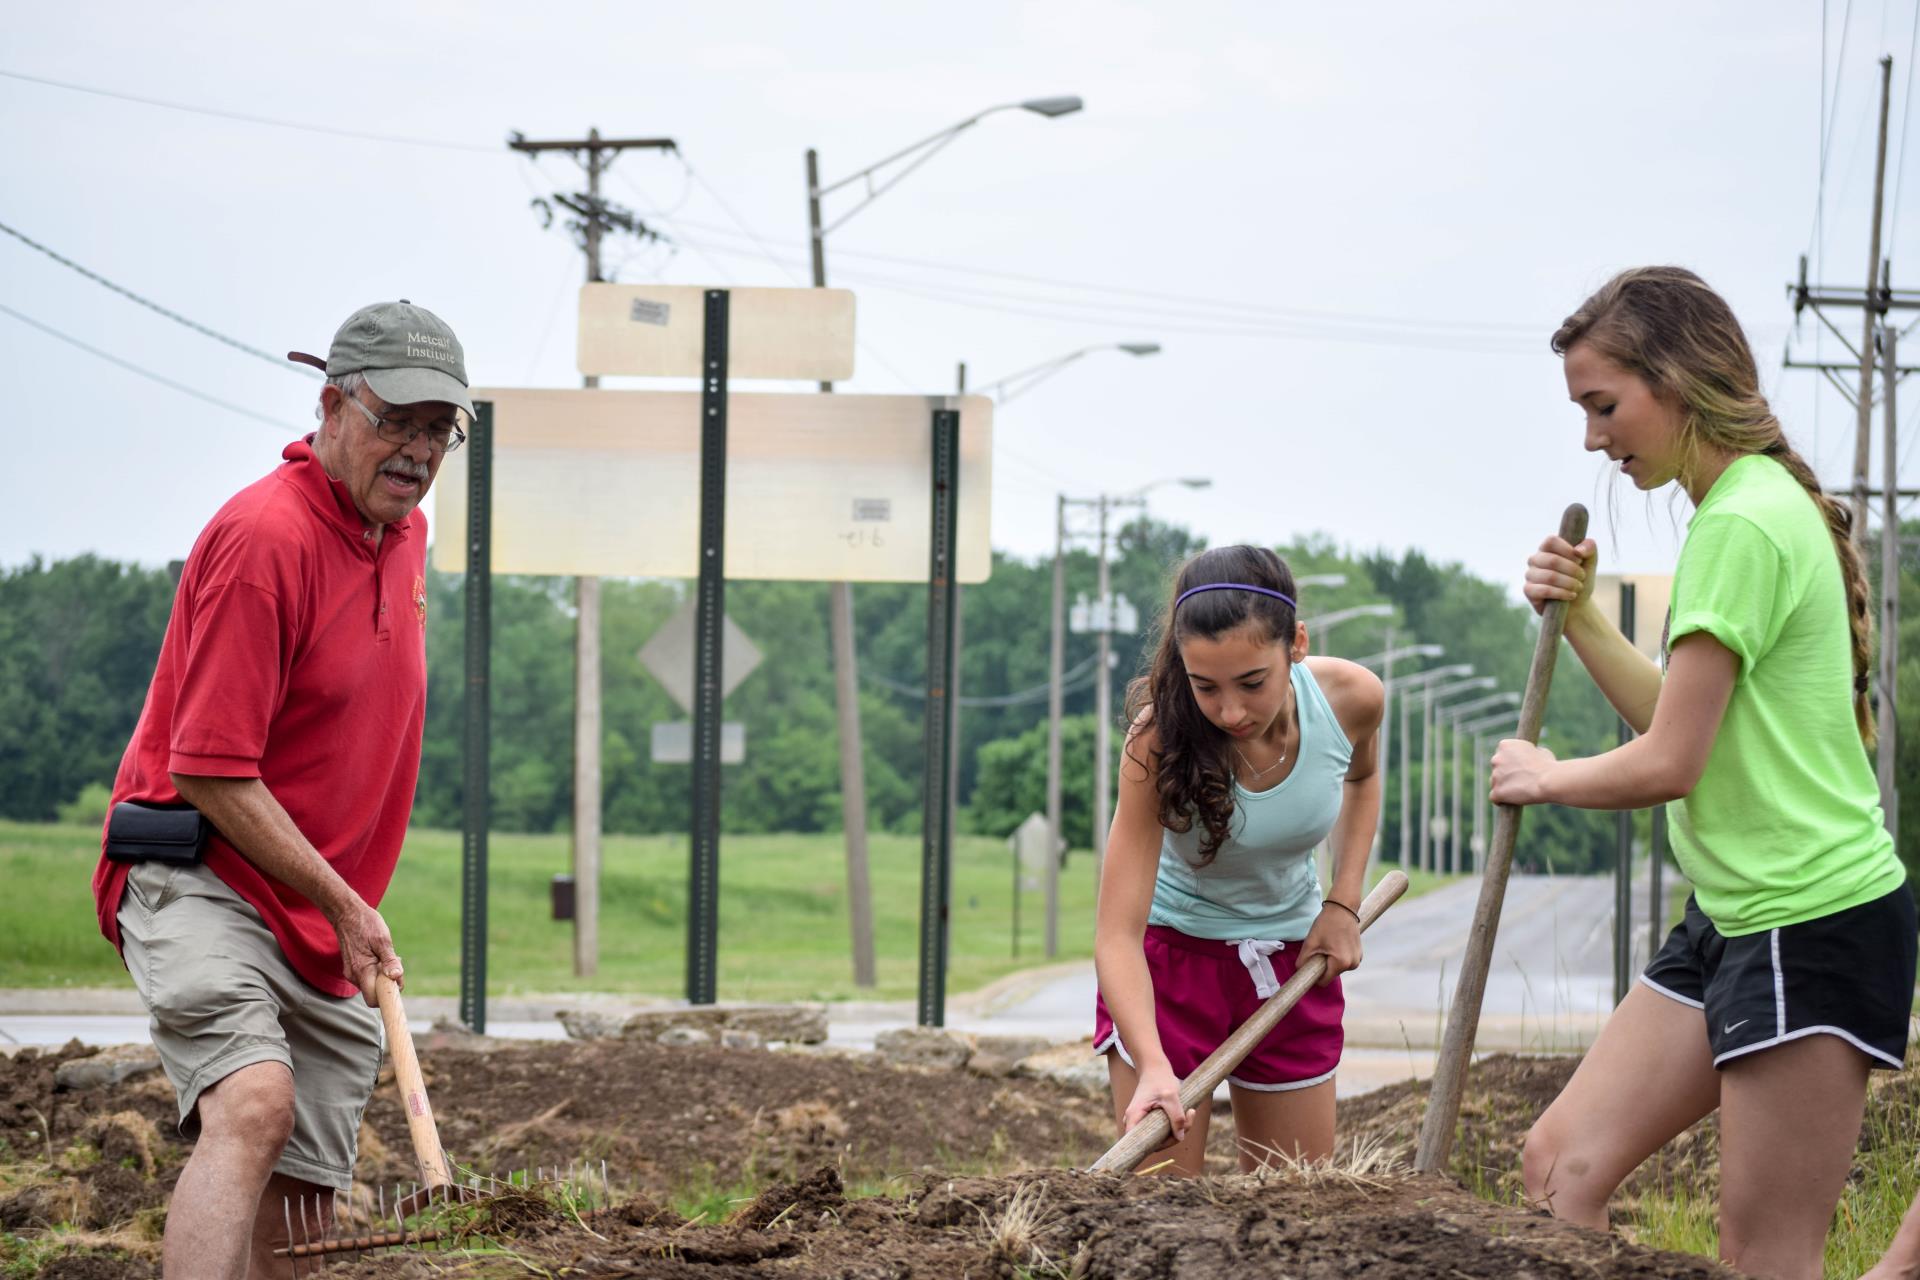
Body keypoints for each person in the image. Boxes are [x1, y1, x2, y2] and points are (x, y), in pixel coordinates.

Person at [1489, 267, 1913, 1280]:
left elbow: (1672, 761)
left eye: (1604, 405)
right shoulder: (1741, 508)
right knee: (1559, 1168)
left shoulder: (1741, 520)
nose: (1594, 438)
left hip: (1809, 918)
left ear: (1676, 381)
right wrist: (1586, 613)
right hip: (1732, 913)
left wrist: (1548, 776)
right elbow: (1690, 727)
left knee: (1766, 1259)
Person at [91, 300, 476, 1280]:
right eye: (399, 420)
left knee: (306, 1188)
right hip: (201, 870)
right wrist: (347, 902)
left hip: (316, 906)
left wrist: (339, 904)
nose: (419, 450)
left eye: (441, 428)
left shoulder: (407, 533)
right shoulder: (266, 538)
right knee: (255, 1103)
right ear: (333, 404)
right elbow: (208, 764)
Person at [1093, 544, 1384, 1174]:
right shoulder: (1157, 740)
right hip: (1169, 975)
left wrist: (1342, 903)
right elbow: (1117, 934)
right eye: (1206, 687)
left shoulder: (1353, 699)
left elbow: (1361, 778)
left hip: (1289, 964)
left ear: (1296, 644)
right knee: (1160, 1218)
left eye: (1253, 682)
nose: (1230, 711)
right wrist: (1152, 1066)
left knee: (1294, 1210)